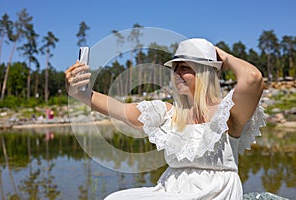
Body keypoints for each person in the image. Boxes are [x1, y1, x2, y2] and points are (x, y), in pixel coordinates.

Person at [65, 38, 265, 200]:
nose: (176, 74)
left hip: (213, 194)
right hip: (170, 191)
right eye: (174, 68)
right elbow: (121, 110)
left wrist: (224, 57)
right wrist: (80, 93)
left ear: (204, 72)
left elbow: (253, 78)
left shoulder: (227, 113)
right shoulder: (169, 114)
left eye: (184, 68)